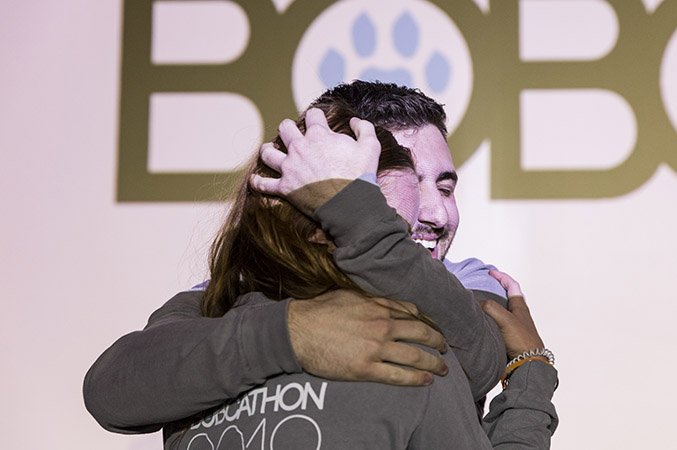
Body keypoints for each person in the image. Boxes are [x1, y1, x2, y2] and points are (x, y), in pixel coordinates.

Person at [83, 82, 556, 442]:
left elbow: (480, 355)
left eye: (446, 187)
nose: (434, 213)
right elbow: (112, 390)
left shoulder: (466, 283)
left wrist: (529, 375)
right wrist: (289, 333)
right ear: (310, 193)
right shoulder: (219, 301)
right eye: (374, 194)